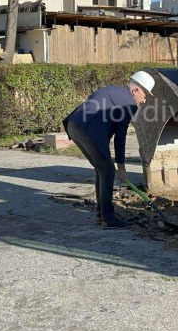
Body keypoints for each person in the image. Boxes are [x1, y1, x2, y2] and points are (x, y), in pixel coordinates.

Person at [62, 71, 155, 229]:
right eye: (145, 95)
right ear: (135, 90)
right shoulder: (129, 103)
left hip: (75, 125)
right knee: (107, 171)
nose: (144, 100)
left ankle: (102, 215)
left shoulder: (115, 92)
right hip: (87, 129)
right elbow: (120, 137)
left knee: (102, 169)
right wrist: (121, 169)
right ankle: (108, 218)